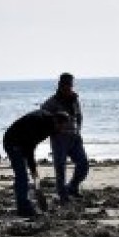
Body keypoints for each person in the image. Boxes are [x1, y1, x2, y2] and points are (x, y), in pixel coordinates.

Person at [2, 109, 69, 217]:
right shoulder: (39, 123)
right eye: (61, 127)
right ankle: (23, 208)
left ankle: (25, 204)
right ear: (56, 121)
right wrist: (34, 174)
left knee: (24, 175)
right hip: (12, 141)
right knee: (22, 176)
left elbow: (31, 146)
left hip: (23, 142)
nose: (61, 130)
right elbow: (29, 149)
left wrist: (36, 180)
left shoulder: (50, 124)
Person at [40, 72, 89, 204]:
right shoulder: (52, 101)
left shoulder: (74, 99)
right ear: (61, 85)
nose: (69, 87)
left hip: (74, 138)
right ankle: (62, 195)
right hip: (59, 139)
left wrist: (78, 130)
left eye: (71, 85)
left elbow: (79, 116)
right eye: (67, 85)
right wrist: (53, 129)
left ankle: (72, 187)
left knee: (83, 165)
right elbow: (42, 114)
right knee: (60, 168)